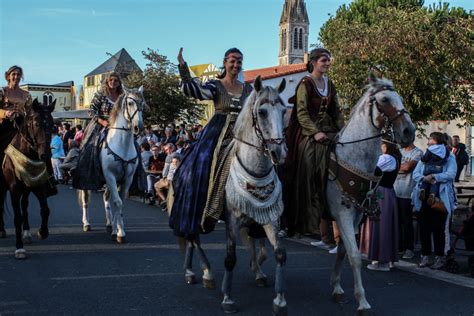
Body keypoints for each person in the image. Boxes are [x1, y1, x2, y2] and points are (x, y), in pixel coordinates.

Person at [170, 47, 253, 237]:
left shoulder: (248, 89)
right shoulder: (216, 85)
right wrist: (183, 67)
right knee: (204, 161)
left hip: (242, 133)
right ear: (225, 62)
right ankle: (200, 209)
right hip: (217, 131)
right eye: (232, 60)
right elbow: (193, 90)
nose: (236, 64)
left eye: (239, 61)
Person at [283, 48, 344, 238]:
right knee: (310, 171)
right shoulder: (305, 83)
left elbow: (336, 111)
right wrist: (316, 132)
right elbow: (301, 113)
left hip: (330, 131)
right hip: (310, 135)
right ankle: (309, 222)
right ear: (314, 62)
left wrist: (344, 130)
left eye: (328, 60)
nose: (327, 63)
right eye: (324, 60)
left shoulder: (330, 83)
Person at [0, 65, 57, 195]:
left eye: (18, 74)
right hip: (5, 126)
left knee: (42, 146)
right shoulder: (2, 92)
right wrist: (6, 113)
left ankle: (49, 178)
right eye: (13, 74)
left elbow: (31, 111)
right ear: (8, 76)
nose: (16, 77)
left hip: (22, 125)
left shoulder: (26, 94)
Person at [412, 132, 457, 269]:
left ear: (437, 141)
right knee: (424, 228)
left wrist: (435, 177)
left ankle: (439, 257)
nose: (428, 142)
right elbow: (416, 174)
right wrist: (424, 178)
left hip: (440, 198)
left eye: (431, 139)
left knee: (438, 229)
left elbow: (451, 174)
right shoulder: (425, 157)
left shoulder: (450, 156)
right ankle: (425, 256)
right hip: (423, 197)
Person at [73, 72, 123, 190]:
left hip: (118, 125)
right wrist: (101, 121)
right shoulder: (101, 94)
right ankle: (86, 172)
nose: (113, 82)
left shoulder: (121, 96)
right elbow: (91, 110)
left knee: (133, 144)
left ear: (119, 83)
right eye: (111, 80)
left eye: (116, 80)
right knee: (90, 146)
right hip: (100, 124)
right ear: (107, 81)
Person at [360, 140, 401, 271]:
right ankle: (384, 259)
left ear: (387, 146)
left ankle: (382, 260)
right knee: (382, 224)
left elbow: (370, 169)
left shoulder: (387, 158)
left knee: (381, 225)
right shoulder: (393, 158)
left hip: (382, 193)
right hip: (385, 192)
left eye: (382, 145)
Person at [393, 141, 423, 259]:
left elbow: (407, 168)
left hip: (407, 191)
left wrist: (395, 167)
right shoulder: (399, 152)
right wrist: (396, 167)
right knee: (397, 221)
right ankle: (399, 246)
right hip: (395, 190)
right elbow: (387, 167)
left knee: (407, 221)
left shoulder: (418, 153)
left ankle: (409, 248)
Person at [418, 134, 450, 206]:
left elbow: (425, 158)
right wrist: (440, 163)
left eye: (430, 139)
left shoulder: (431, 148)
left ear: (435, 140)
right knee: (435, 181)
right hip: (438, 168)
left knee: (426, 178)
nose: (428, 140)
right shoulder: (445, 149)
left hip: (428, 167)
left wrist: (422, 159)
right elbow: (446, 158)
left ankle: (422, 189)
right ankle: (432, 194)